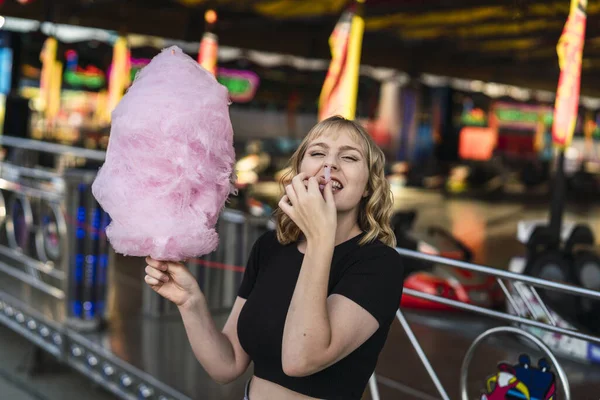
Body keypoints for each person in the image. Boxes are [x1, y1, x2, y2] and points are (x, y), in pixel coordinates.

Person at [144, 115, 405, 399]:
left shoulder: (379, 264)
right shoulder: (271, 246)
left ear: (368, 185)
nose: (329, 164)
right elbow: (227, 364)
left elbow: (300, 360)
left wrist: (319, 238)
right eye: (317, 153)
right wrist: (190, 301)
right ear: (299, 171)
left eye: (350, 157)